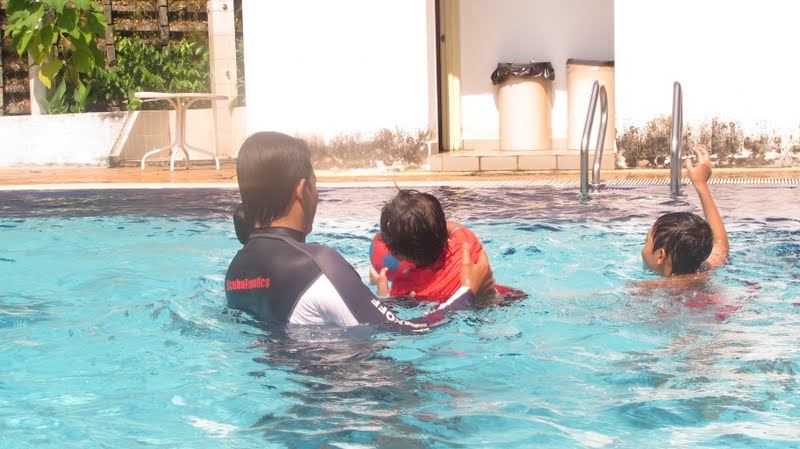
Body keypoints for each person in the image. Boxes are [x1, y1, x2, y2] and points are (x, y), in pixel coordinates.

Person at [224, 132, 494, 331]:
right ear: (302, 189)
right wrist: (467, 291)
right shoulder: (318, 266)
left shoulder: (235, 272)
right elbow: (406, 330)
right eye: (315, 185)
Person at [370, 189, 523, 302]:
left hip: (462, 310)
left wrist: (381, 286)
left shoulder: (406, 287)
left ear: (397, 255)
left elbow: (390, 306)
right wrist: (431, 225)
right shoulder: (465, 244)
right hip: (503, 297)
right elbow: (455, 227)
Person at [641, 145, 729, 277]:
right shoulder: (706, 269)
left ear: (660, 255)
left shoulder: (649, 286)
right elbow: (721, 247)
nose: (643, 247)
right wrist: (701, 183)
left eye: (646, 241)